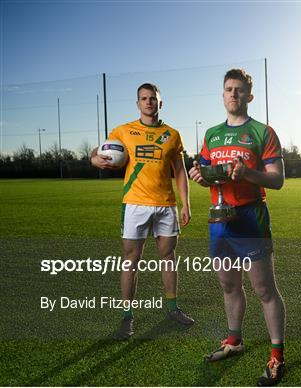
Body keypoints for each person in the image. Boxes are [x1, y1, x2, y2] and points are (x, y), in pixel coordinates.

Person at [189, 69, 286, 386]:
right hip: (219, 222)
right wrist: (201, 177)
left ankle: (276, 357)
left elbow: (277, 180)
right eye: (229, 89)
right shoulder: (212, 135)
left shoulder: (263, 132)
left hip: (250, 218)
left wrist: (247, 173)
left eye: (240, 90)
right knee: (229, 286)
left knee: (264, 290)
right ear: (223, 94)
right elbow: (210, 173)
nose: (234, 94)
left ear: (249, 96)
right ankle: (234, 340)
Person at [90, 83, 194, 340]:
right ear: (138, 103)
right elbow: (98, 150)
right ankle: (127, 318)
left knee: (168, 256)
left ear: (161, 103)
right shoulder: (124, 131)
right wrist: (94, 159)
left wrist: (186, 203)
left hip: (166, 205)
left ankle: (172, 309)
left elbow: (180, 171)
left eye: (153, 99)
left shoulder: (172, 134)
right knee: (130, 260)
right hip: (135, 204)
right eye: (143, 99)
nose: (148, 102)